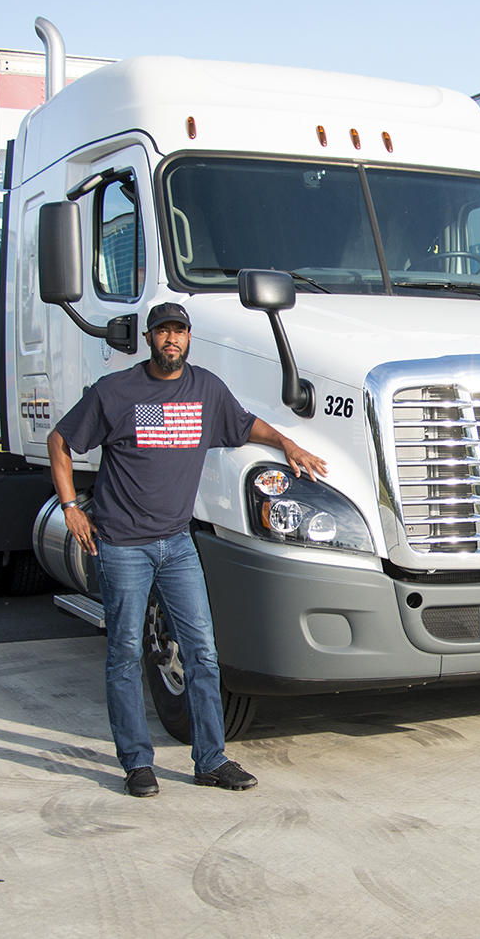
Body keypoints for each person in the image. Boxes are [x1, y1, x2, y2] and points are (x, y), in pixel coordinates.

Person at [48, 302, 326, 797]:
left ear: (189, 338)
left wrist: (289, 445)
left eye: (179, 331)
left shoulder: (206, 390)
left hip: (177, 544)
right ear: (149, 339)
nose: (170, 340)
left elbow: (246, 425)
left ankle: (211, 759)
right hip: (122, 546)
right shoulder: (115, 392)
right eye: (162, 332)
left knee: (202, 652)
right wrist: (70, 505)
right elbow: (60, 439)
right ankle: (137, 764)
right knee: (125, 654)